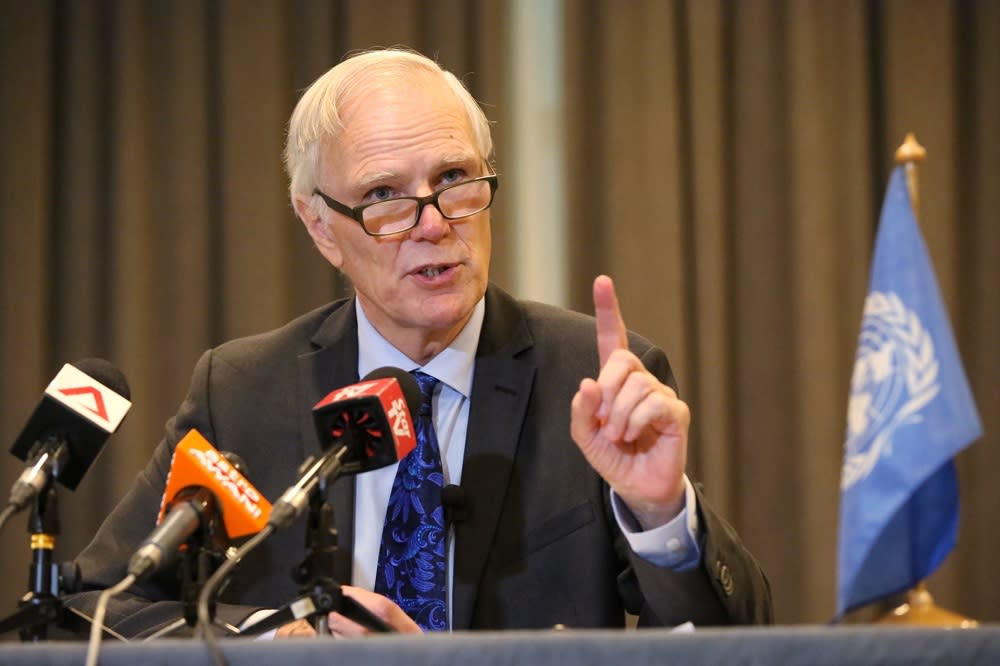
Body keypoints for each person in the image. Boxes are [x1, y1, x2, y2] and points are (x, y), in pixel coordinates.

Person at [67, 47, 772, 638]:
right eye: (384, 195)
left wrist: (660, 515)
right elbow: (99, 604)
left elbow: (729, 639)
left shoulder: (592, 379)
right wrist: (269, 637)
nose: (433, 223)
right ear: (318, 226)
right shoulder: (244, 391)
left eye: (454, 179)